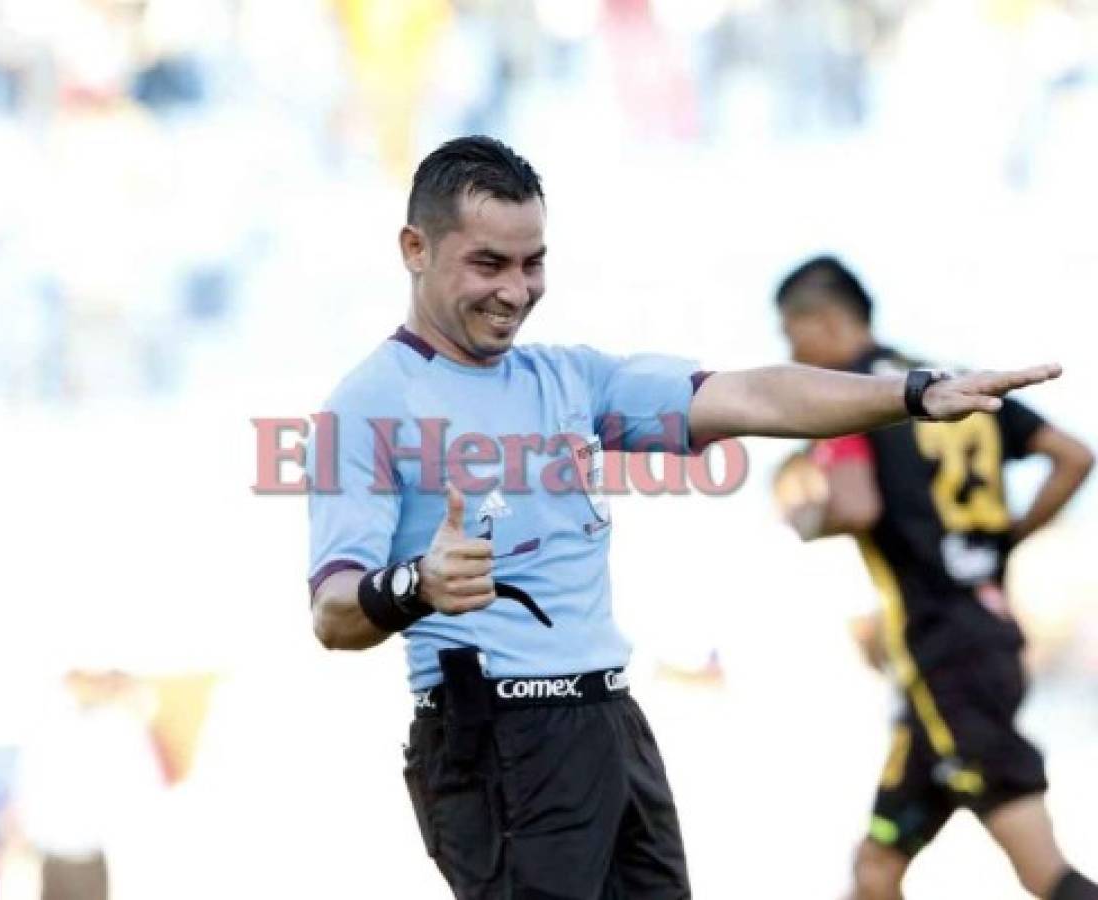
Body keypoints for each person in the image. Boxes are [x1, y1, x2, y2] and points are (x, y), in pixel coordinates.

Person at [305, 136, 1060, 899]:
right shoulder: (366, 405)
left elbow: (753, 397)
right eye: (488, 264)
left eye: (532, 263)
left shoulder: (569, 375)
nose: (515, 290)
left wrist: (909, 394)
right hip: (496, 739)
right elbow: (333, 615)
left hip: (610, 722)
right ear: (414, 248)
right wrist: (414, 583)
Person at [772, 256, 1095, 900]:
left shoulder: (852, 396)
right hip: (977, 643)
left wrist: (804, 514)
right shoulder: (952, 383)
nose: (790, 352)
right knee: (876, 869)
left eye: (791, 333)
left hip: (944, 656)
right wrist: (1007, 540)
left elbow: (857, 504)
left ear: (827, 321)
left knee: (1046, 875)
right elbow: (1073, 456)